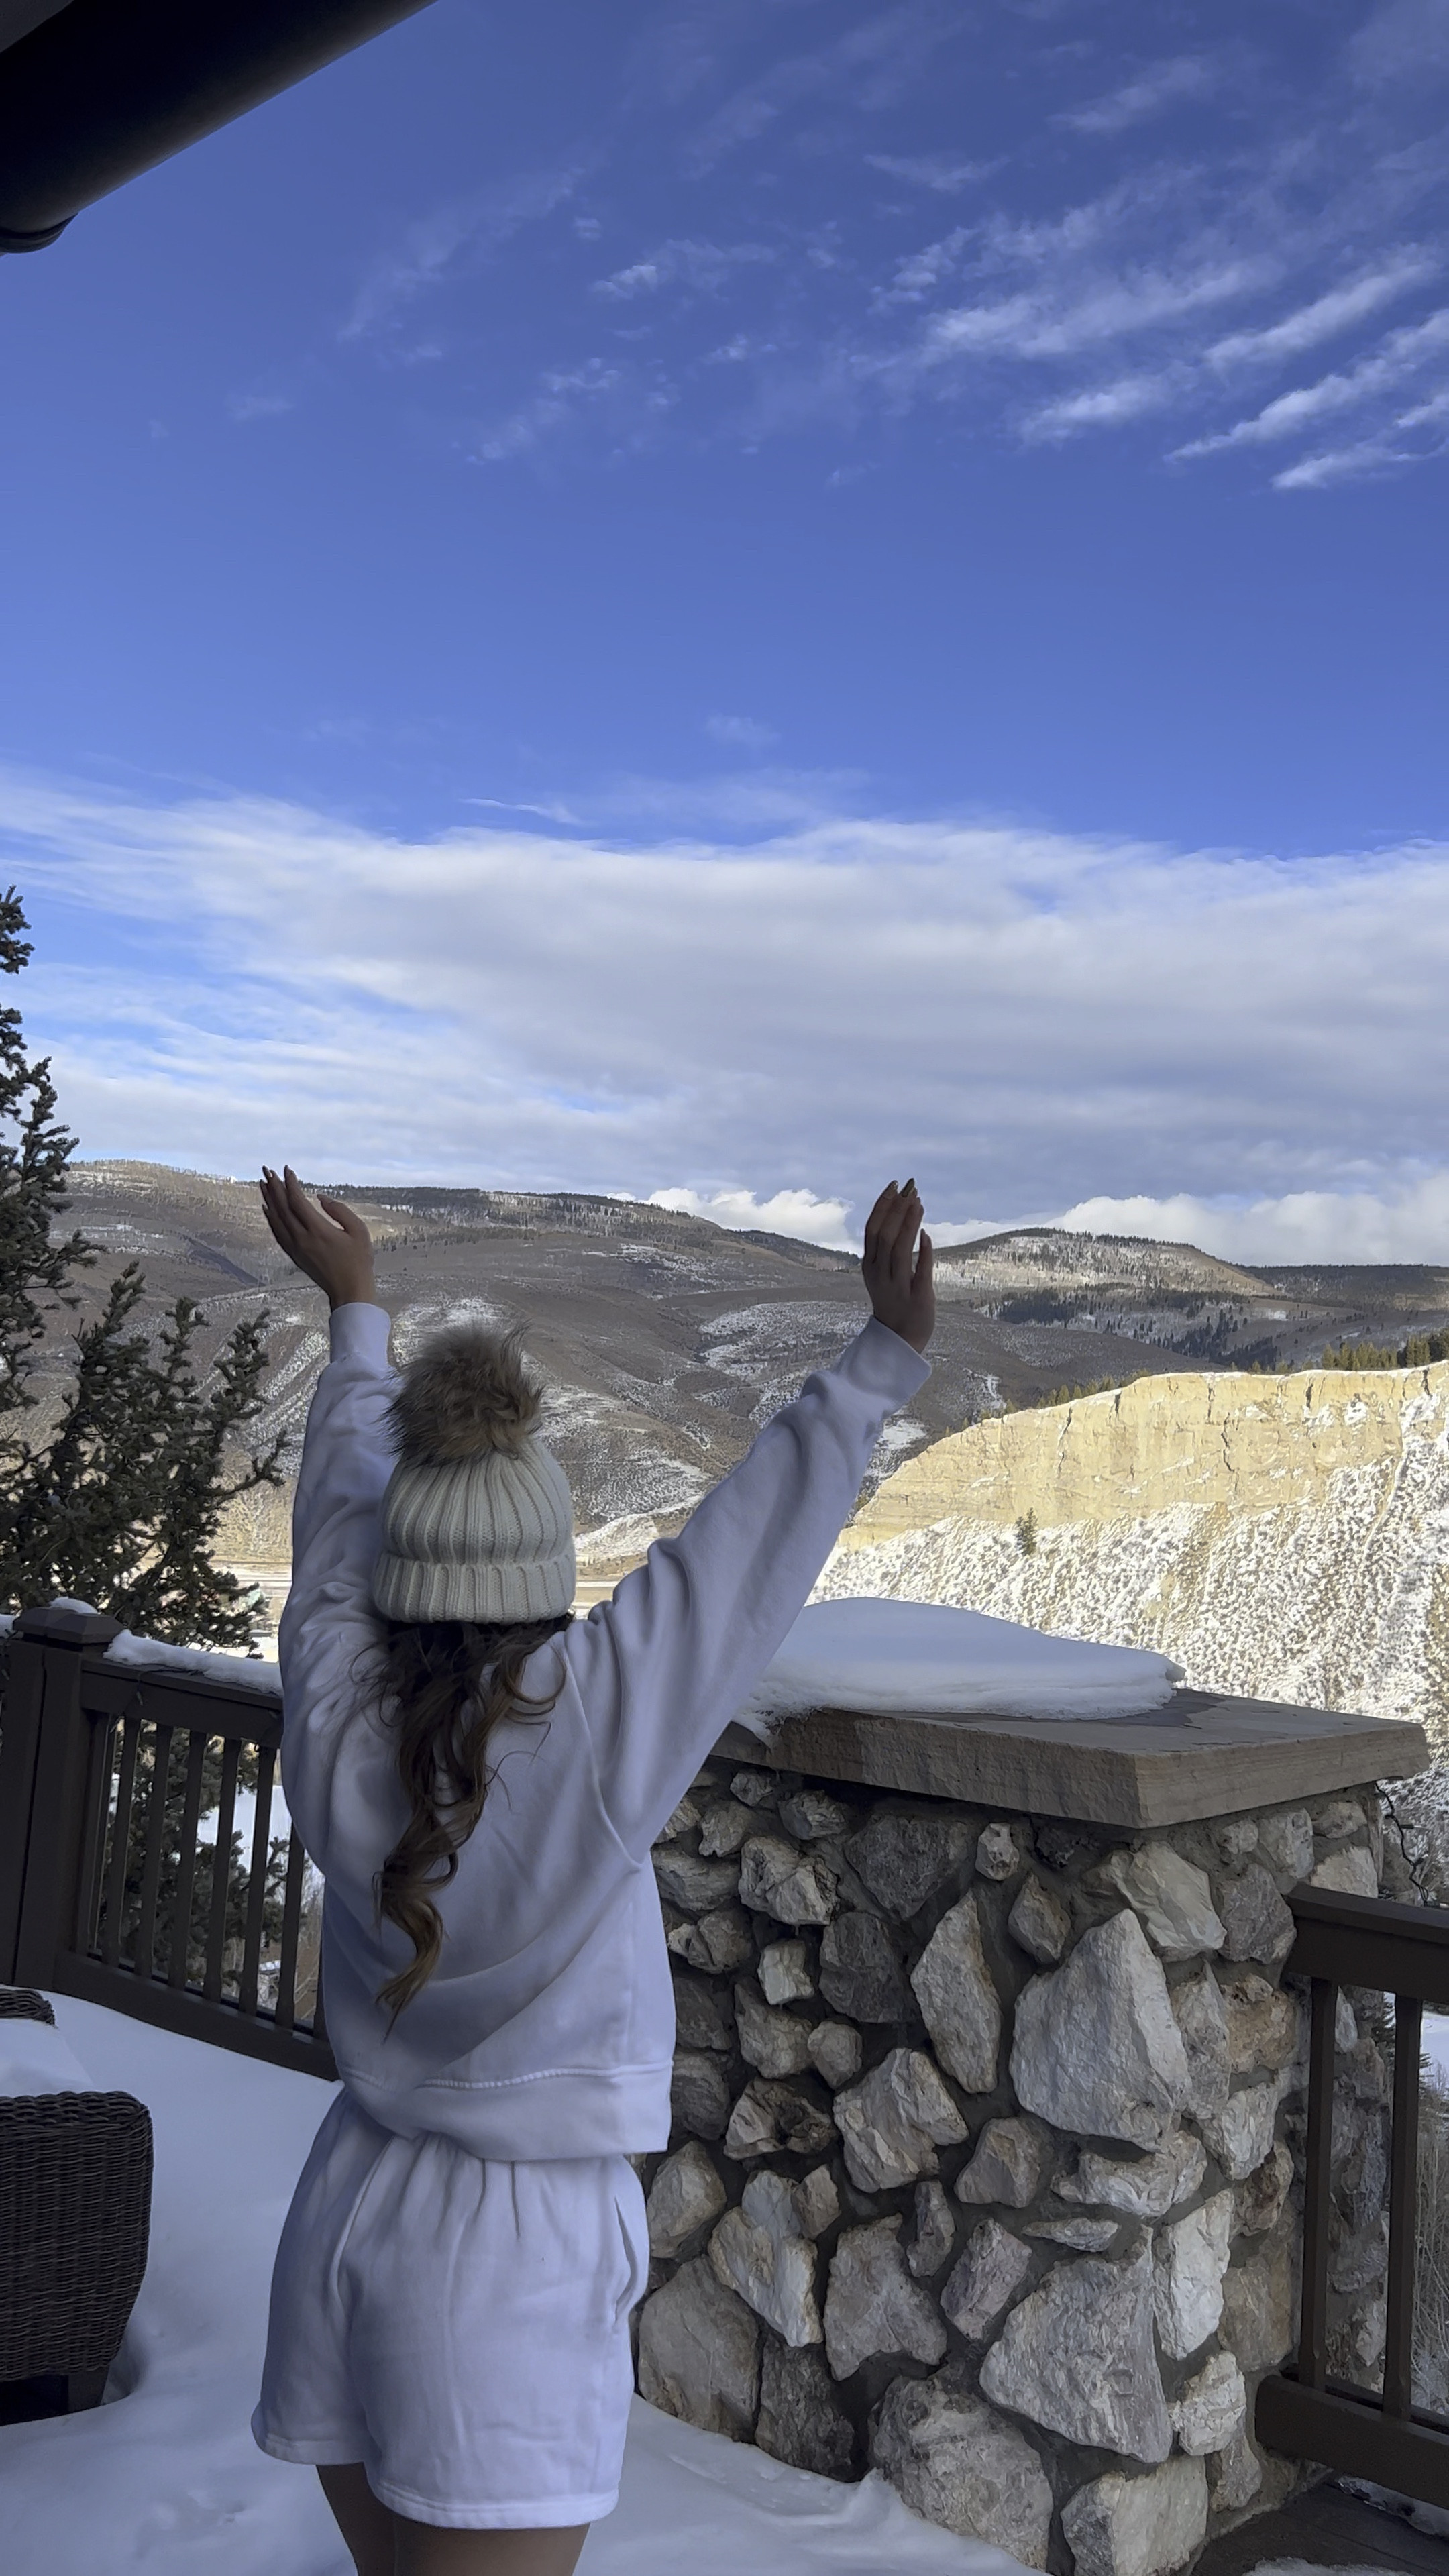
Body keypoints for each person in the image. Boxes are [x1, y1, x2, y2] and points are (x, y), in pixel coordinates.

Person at [250, 1166, 936, 2576]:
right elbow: (734, 1559)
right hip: (506, 2261)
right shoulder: (587, 1730)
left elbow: (331, 1539)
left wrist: (359, 1321)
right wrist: (881, 1358)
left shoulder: (333, 1710)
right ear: (547, 1570)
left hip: (349, 2203)